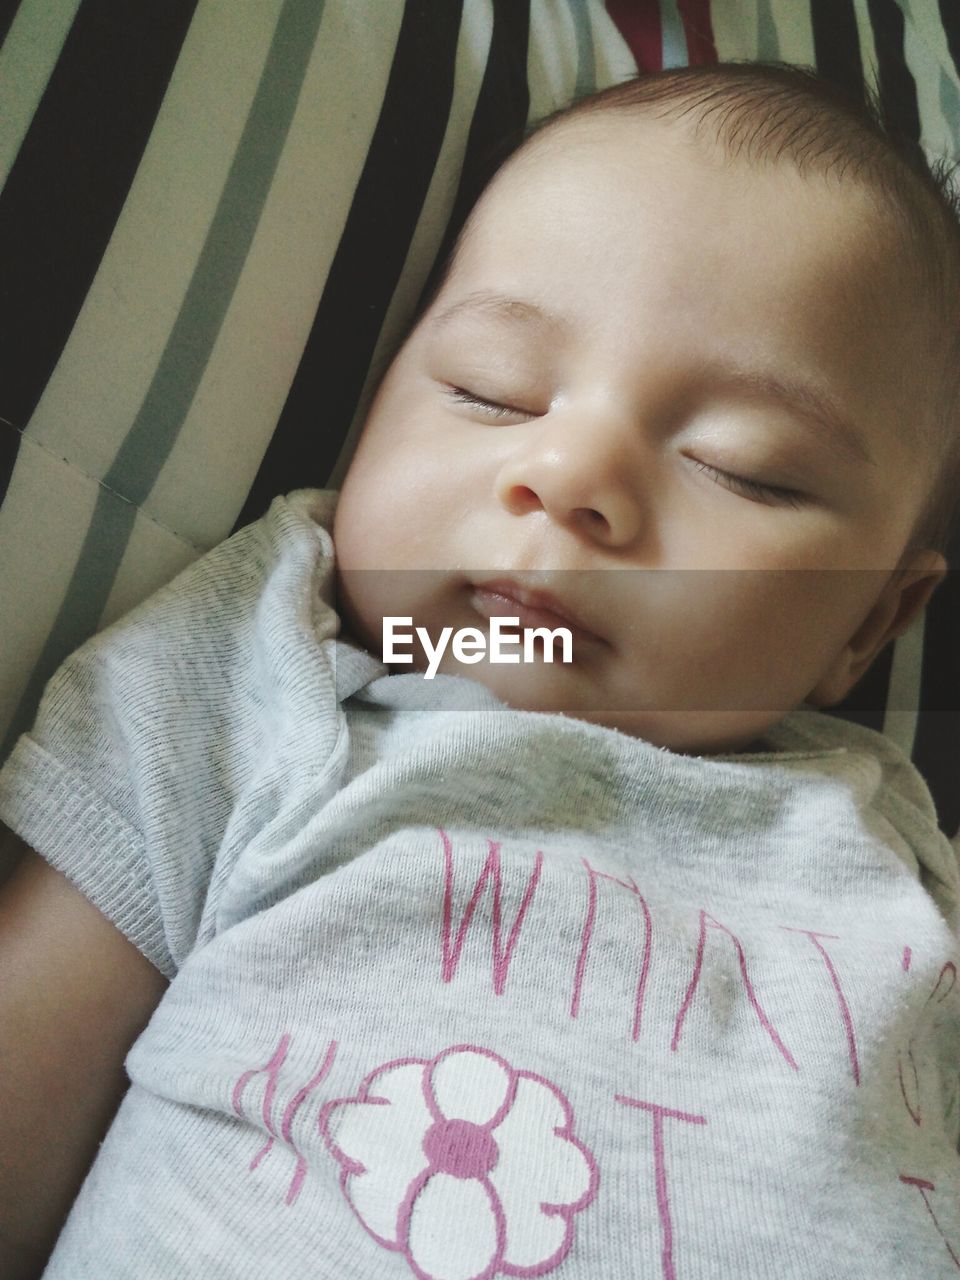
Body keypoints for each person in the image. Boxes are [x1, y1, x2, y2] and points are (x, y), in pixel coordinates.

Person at [1, 61, 959, 1279]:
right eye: (488, 392)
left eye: (743, 466)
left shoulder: (896, 863)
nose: (568, 480)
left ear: (868, 624)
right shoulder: (277, 680)